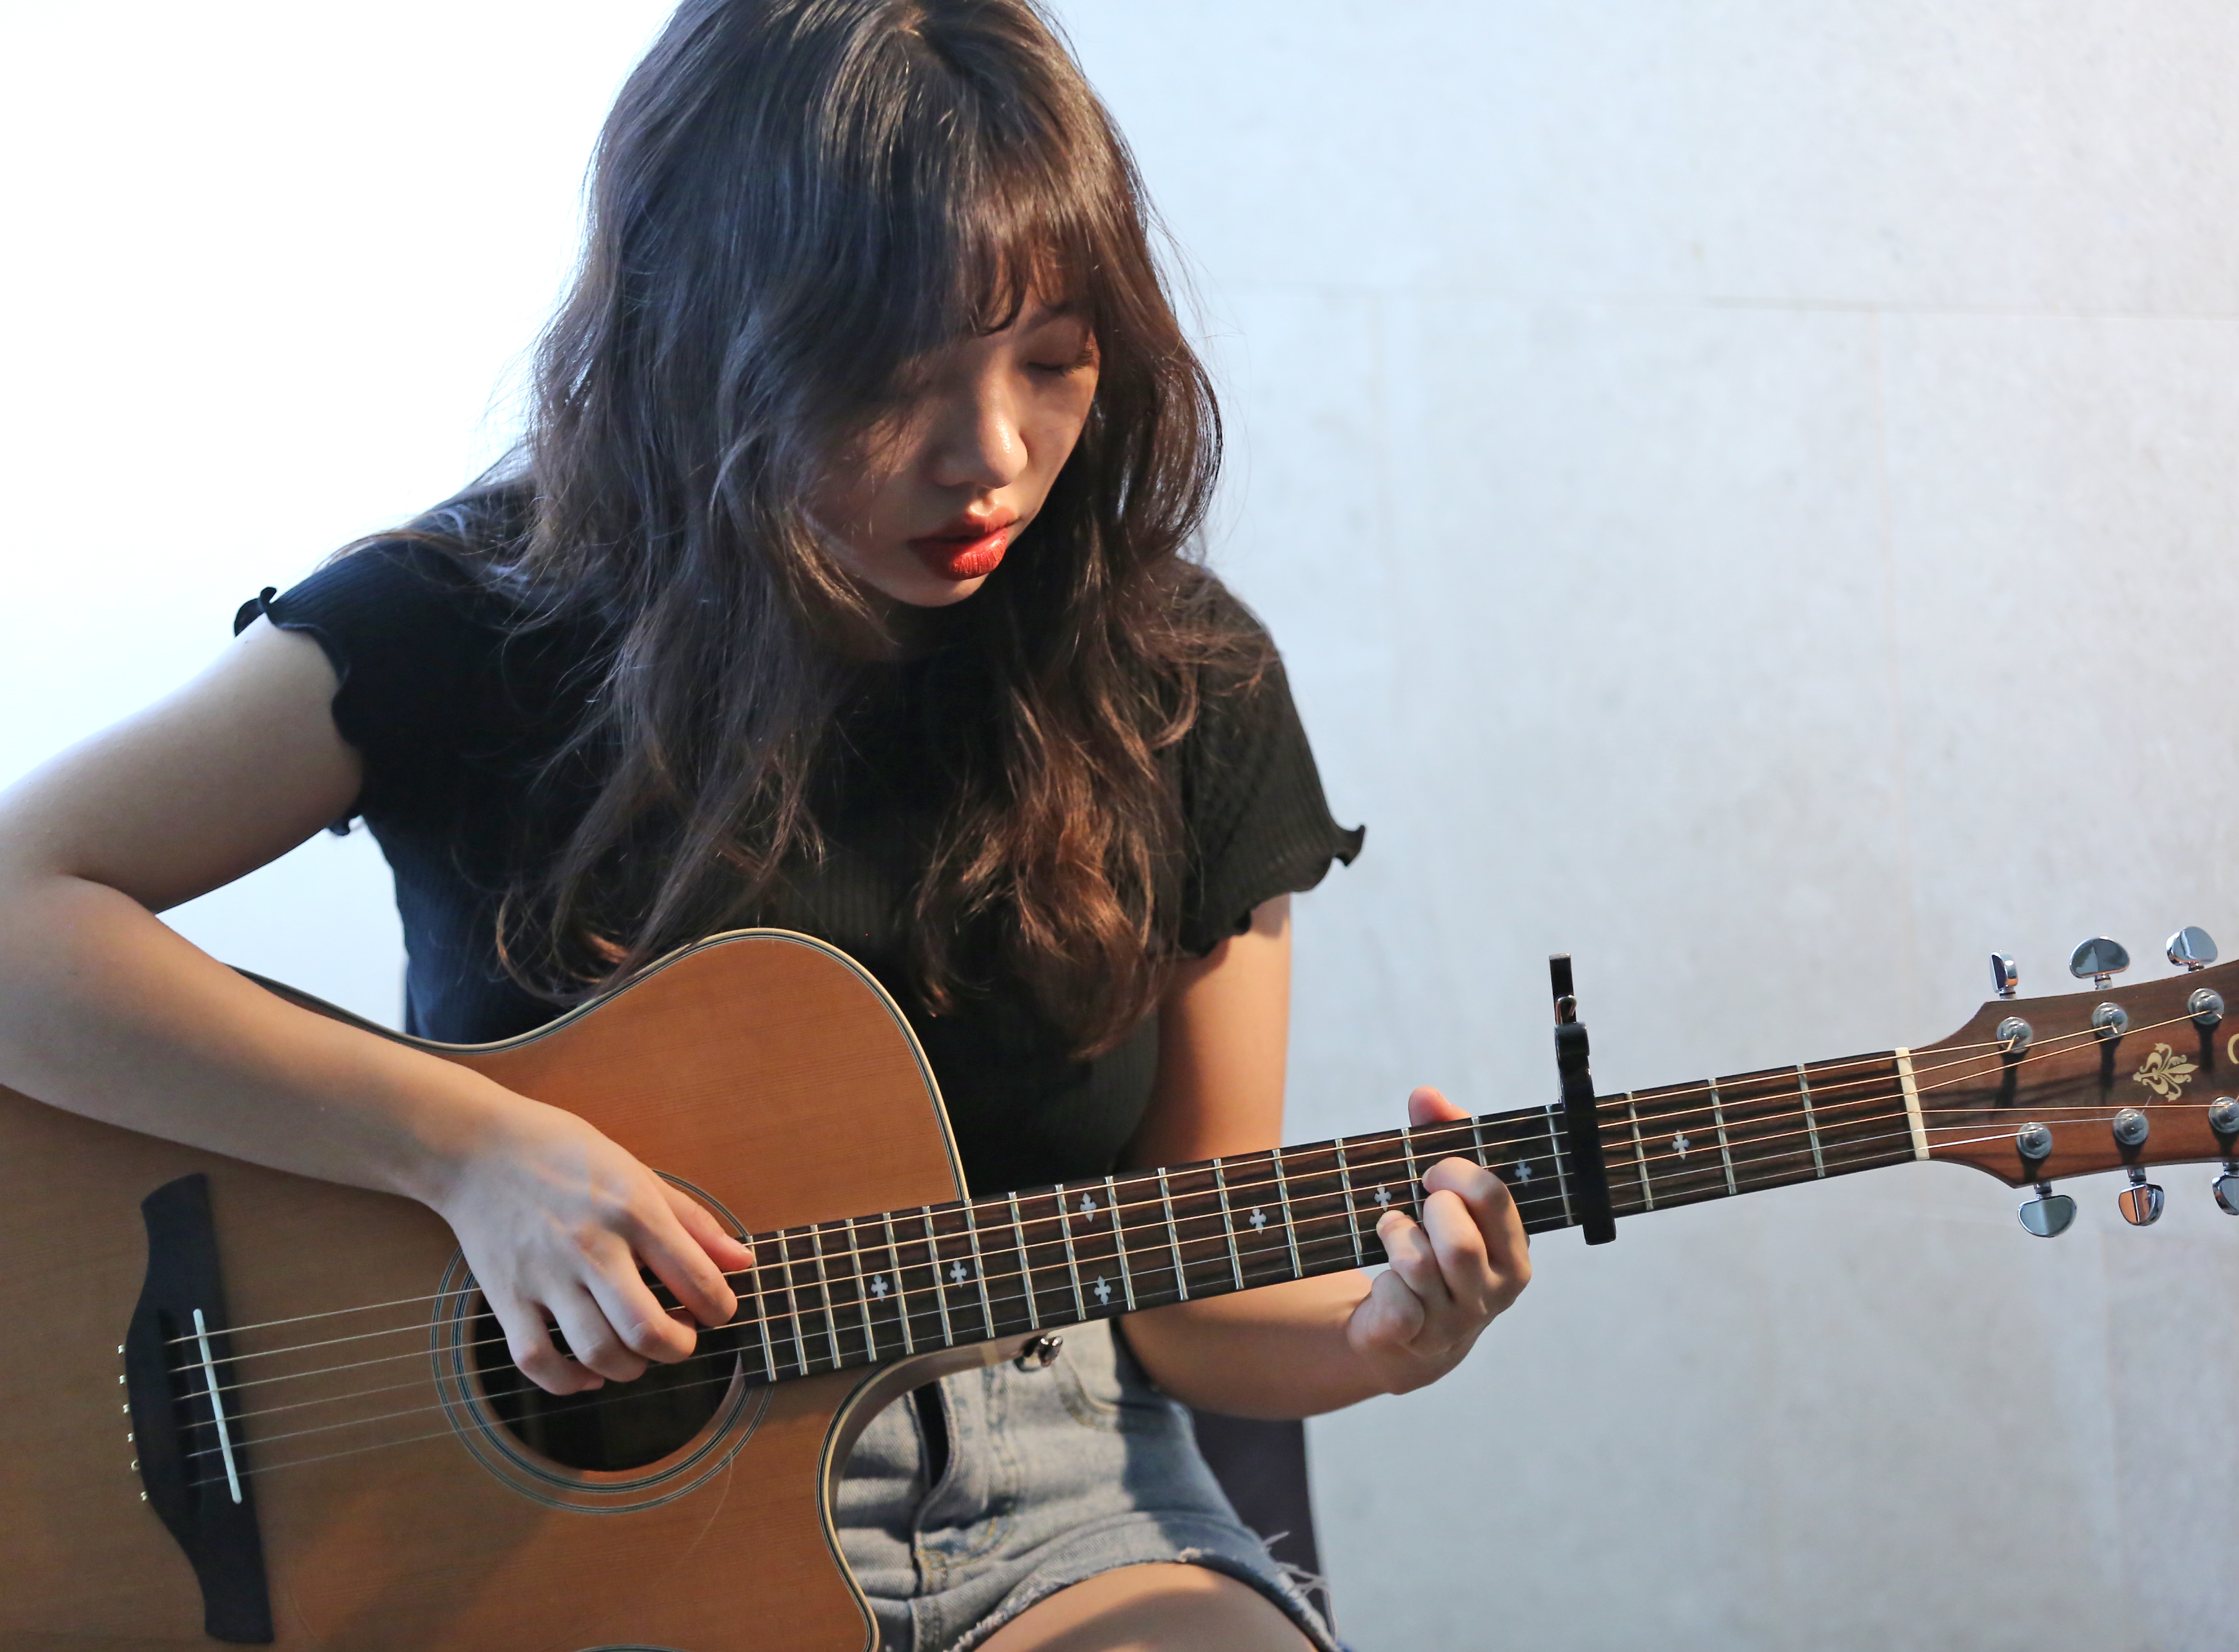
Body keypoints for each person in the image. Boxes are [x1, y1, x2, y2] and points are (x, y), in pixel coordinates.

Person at [0, 2, 1531, 1647]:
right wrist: (468, 1150)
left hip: (1053, 1498)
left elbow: (1191, 1297)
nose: (993, 455)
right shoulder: (466, 619)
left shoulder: (1179, 685)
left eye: (1054, 357)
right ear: (704, 332)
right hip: (552, 1527)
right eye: (895, 376)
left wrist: (1382, 1337)